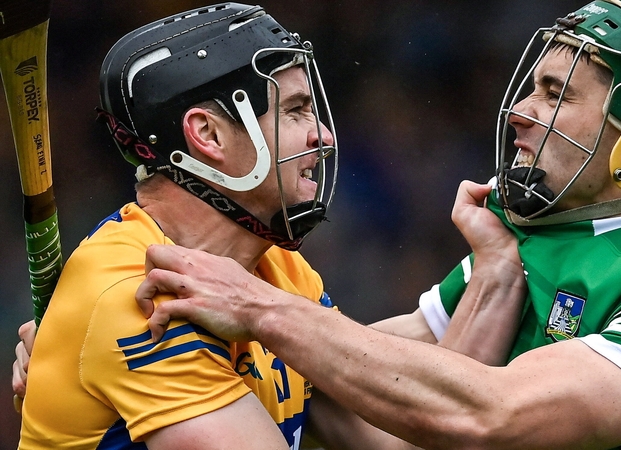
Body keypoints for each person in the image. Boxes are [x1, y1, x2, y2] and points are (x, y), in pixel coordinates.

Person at [124, 1, 621, 449]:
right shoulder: (527, 242)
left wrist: (259, 308)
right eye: (533, 88)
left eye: (556, 94)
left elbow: (493, 415)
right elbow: (365, 377)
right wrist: (127, 332)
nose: (519, 111)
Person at [11, 3, 527, 449]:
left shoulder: (274, 271)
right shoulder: (139, 298)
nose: (323, 135)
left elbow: (403, 437)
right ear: (207, 134)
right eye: (296, 111)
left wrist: (498, 268)